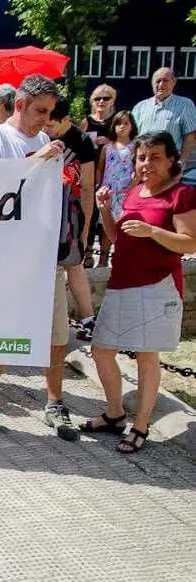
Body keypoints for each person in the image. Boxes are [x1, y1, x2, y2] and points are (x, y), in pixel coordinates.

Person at [0, 74, 72, 441]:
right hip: (5, 253)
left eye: (50, 112)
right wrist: (37, 161)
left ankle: (55, 402)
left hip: (41, 251)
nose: (46, 120)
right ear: (19, 105)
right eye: (40, 111)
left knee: (55, 332)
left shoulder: (44, 139)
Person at [84, 131, 196, 453]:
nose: (146, 164)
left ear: (172, 159)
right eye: (141, 157)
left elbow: (190, 243)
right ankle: (115, 413)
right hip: (121, 283)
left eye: (155, 157)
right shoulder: (135, 192)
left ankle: (141, 425)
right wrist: (106, 209)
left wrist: (152, 231)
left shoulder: (182, 195)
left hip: (156, 286)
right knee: (101, 350)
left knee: (147, 357)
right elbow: (119, 237)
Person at [45, 99, 99, 340]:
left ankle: (88, 318)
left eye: (51, 125)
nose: (46, 129)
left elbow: (88, 186)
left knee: (74, 263)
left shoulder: (82, 141)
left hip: (71, 209)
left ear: (66, 120)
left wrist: (85, 230)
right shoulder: (41, 137)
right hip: (46, 209)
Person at [132, 68, 196, 185]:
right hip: (143, 165)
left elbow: (190, 138)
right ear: (152, 83)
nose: (161, 85)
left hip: (168, 166)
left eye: (165, 80)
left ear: (174, 82)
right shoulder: (140, 107)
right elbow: (131, 136)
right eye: (158, 81)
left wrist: (181, 163)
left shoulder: (185, 105)